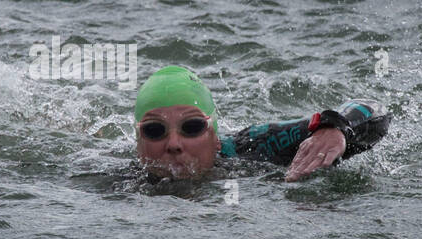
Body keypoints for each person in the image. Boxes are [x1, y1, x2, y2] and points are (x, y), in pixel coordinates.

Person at [133, 65, 391, 182]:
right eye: (155, 131)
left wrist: (334, 127)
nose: (174, 144)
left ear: (215, 136)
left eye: (192, 127)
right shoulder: (118, 182)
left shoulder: (258, 146)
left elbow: (373, 107)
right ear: (138, 143)